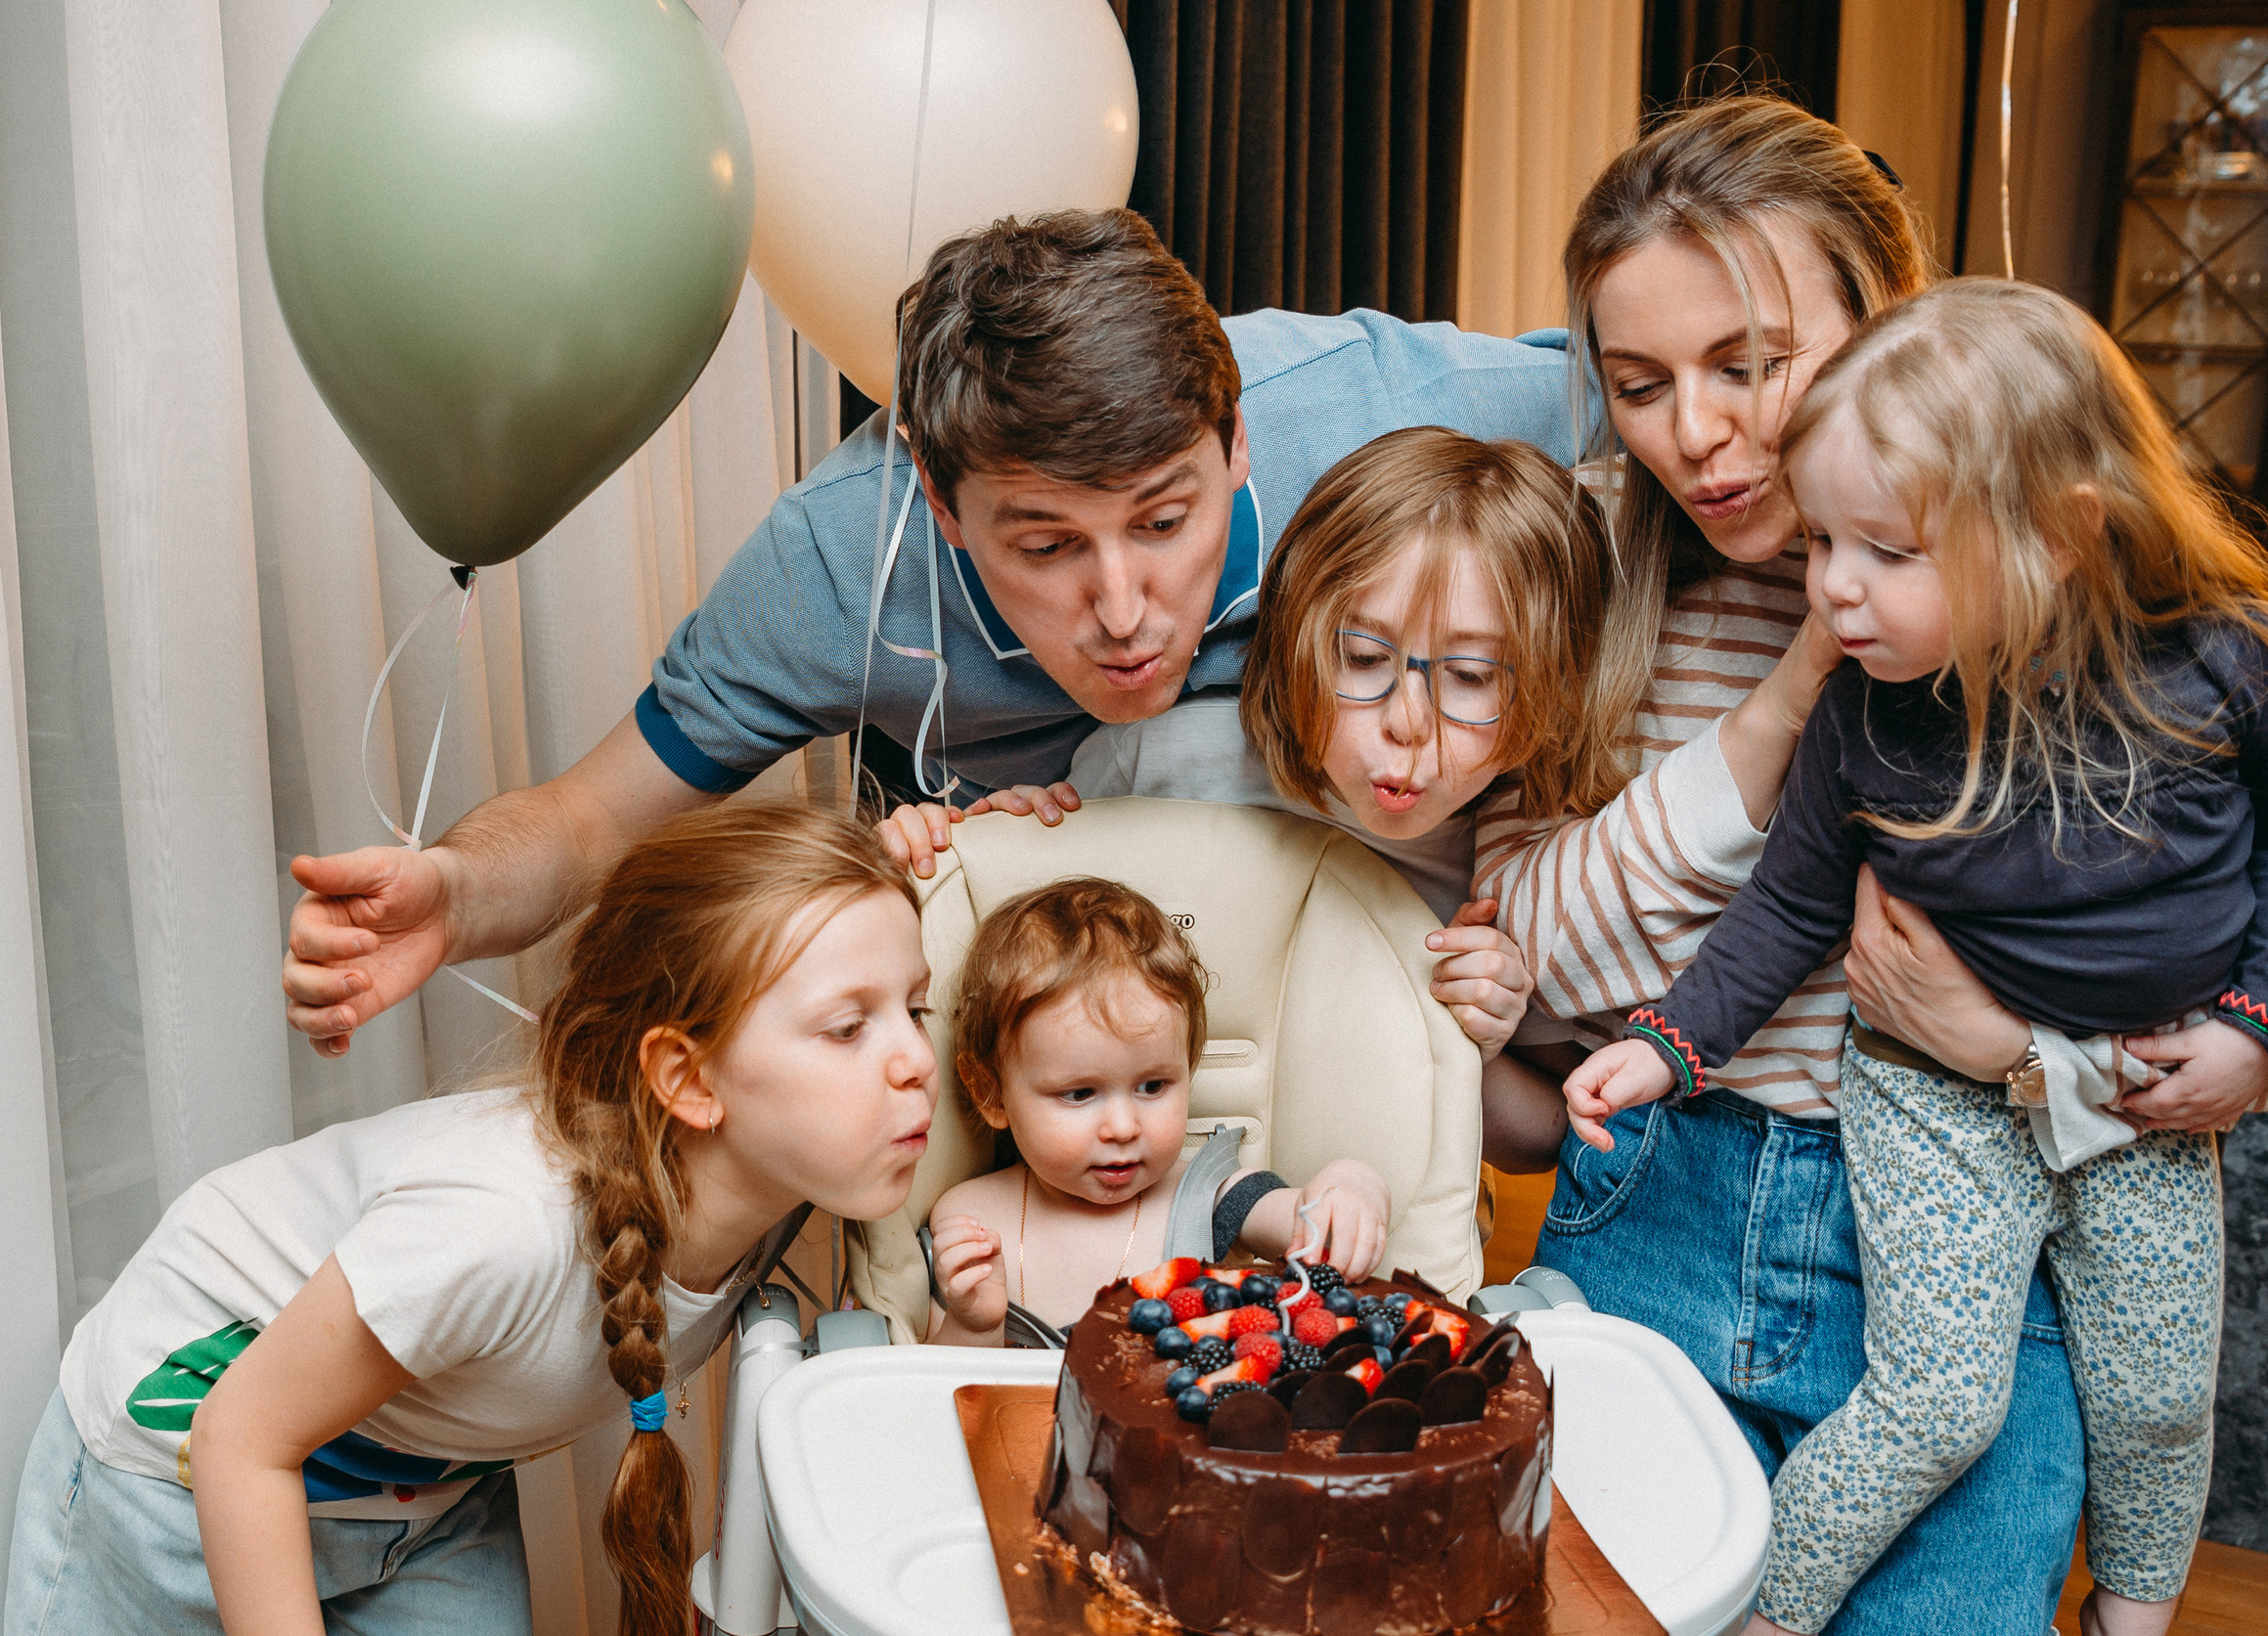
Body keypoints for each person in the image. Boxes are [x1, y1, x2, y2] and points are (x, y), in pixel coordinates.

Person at [1471, 97, 2268, 1636]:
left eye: (1752, 365)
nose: (1694, 433)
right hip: (1655, 1205)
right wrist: (1788, 707)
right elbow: (1528, 963)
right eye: (1640, 384)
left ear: (1886, 332)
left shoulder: (2088, 613)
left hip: (1973, 1234)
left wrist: (2026, 1062)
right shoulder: (1586, 573)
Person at [281, 208, 1578, 1060]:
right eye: (1047, 545)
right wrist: (454, 893)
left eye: (1164, 521)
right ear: (942, 500)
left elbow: (1680, 397)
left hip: (1353, 1009)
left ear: (1238, 444)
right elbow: (582, 822)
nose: (1124, 609)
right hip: (1043, 1040)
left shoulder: (1378, 407)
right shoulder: (840, 564)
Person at [6, 802, 935, 1636]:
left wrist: (970, 835)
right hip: (183, 1462)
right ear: (688, 1080)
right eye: (850, 1026)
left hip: (430, 1484)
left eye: (918, 1007)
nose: (917, 1060)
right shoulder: (499, 1230)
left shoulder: (794, 1175)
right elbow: (241, 1439)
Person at [884, 425, 1637, 1130]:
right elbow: (999, 969)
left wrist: (1483, 1039)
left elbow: (1541, 1139)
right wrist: (962, 854)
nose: (1409, 721)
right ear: (1298, 638)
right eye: (1364, 658)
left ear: (1550, 685)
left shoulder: (1518, 873)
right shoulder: (1163, 758)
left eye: (1471, 675)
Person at [922, 876, 1389, 1348]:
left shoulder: (1208, 1196)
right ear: (991, 1094)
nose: (1123, 1128)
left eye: (1152, 1085)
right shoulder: (972, 1220)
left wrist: (1351, 1184)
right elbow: (928, 1388)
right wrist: (973, 1325)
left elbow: (1309, 1223)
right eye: (1080, 1094)